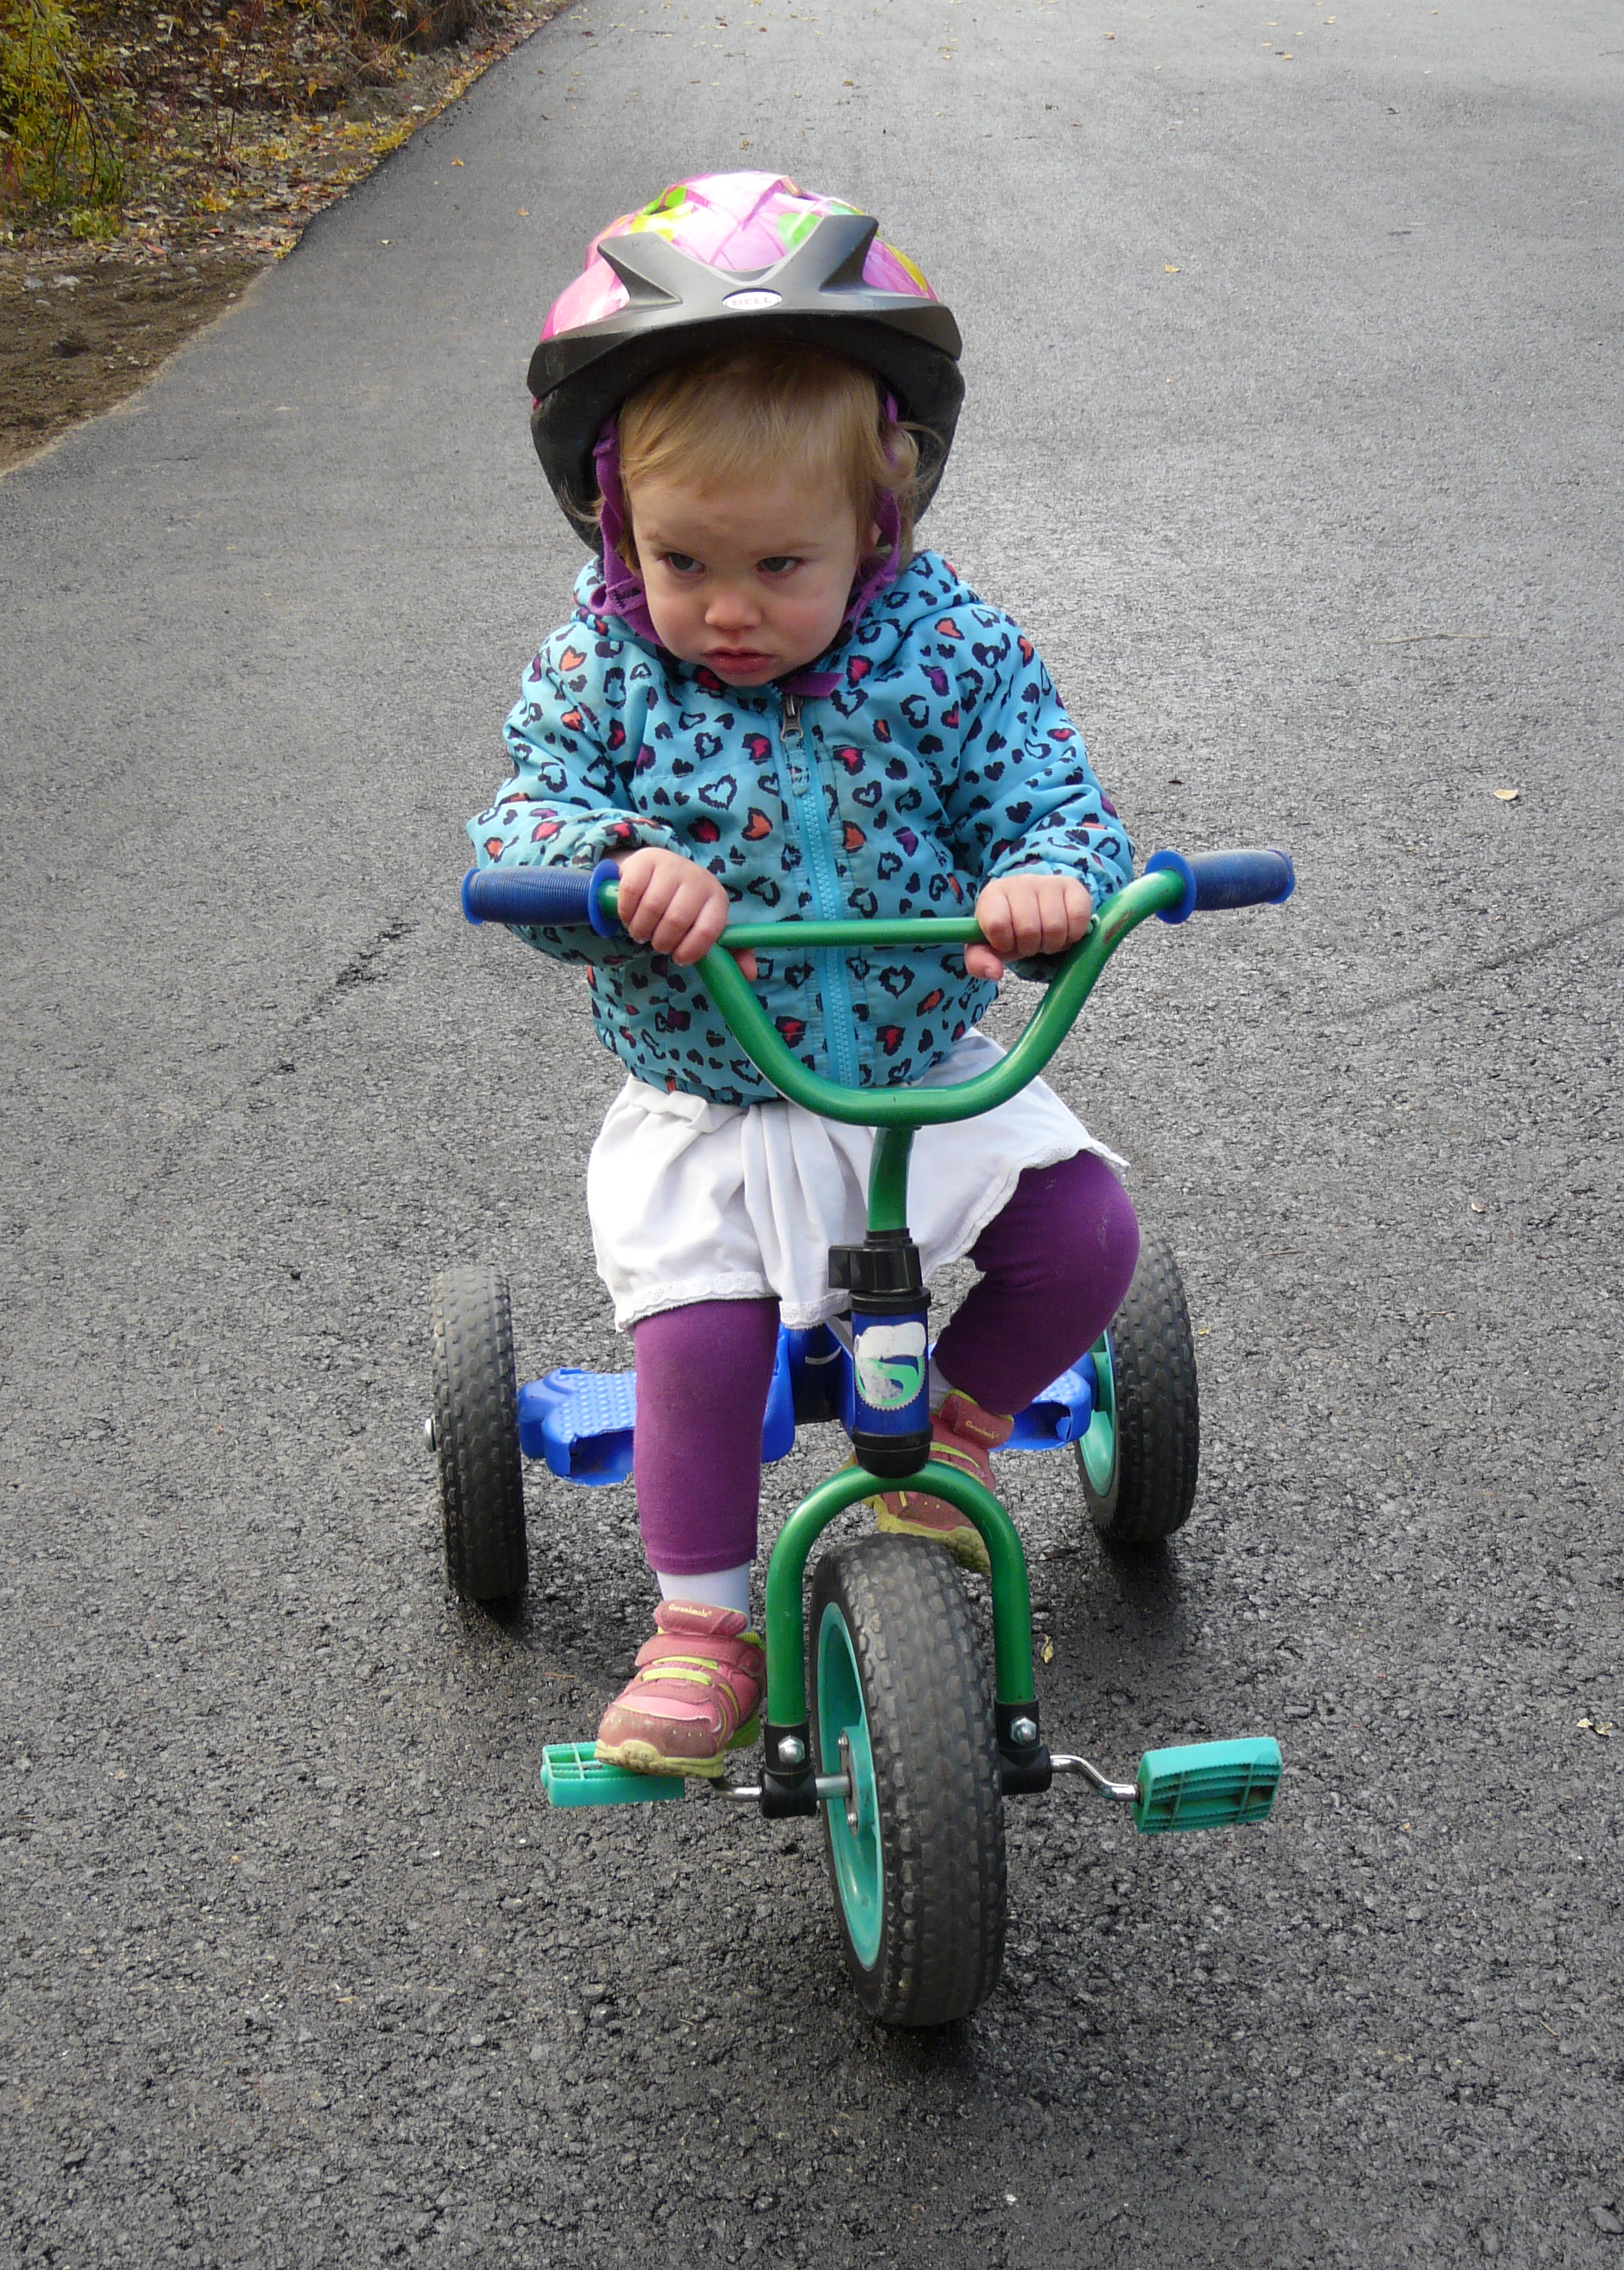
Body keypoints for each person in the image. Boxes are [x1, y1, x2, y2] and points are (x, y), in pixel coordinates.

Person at [468, 172, 1141, 1775]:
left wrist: (1048, 882)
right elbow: (522, 819)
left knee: (1086, 1236)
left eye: (782, 564)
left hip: (920, 1076)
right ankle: (702, 1624)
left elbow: (1052, 795)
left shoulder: (949, 650)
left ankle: (955, 1436)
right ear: (615, 522)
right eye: (683, 559)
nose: (729, 610)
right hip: (713, 1095)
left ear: (876, 523)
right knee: (698, 1353)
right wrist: (609, 868)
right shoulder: (602, 668)